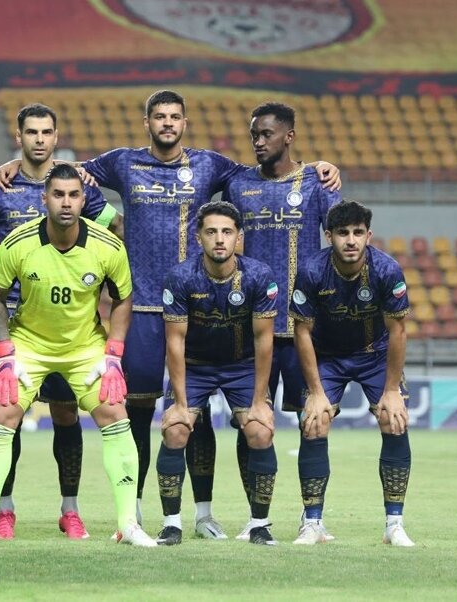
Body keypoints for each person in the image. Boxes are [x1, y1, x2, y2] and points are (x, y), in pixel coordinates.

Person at [0, 89, 340, 535]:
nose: (167, 123)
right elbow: (69, 172)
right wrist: (15, 165)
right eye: (159, 116)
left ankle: (205, 514)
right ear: (147, 123)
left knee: (197, 411)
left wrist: (315, 167)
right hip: (139, 307)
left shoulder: (211, 166)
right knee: (135, 412)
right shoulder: (124, 162)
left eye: (175, 117)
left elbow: (268, 173)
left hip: (196, 309)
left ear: (184, 123)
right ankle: (133, 512)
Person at [0, 163, 157, 548]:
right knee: (2, 413)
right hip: (29, 344)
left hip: (85, 348)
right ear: (44, 198)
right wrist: (5, 354)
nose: (66, 203)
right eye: (58, 195)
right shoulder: (17, 243)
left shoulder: (108, 246)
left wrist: (113, 356)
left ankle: (128, 525)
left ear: (83, 200)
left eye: (73, 195)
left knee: (116, 413)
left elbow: (123, 299)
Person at [222, 101, 341, 540]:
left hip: (306, 329)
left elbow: (341, 237)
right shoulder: (237, 184)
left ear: (289, 136)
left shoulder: (317, 182)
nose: (258, 141)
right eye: (254, 134)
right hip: (251, 329)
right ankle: (257, 518)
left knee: (314, 421)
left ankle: (313, 520)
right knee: (250, 423)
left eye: (267, 134)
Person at [291, 200, 415, 547]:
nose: (350, 240)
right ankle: (312, 523)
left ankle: (394, 524)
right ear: (328, 235)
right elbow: (302, 331)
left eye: (358, 233)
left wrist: (392, 390)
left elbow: (398, 331)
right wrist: (316, 393)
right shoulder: (312, 270)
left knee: (394, 420)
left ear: (368, 236)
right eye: (343, 233)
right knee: (314, 422)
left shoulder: (387, 270)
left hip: (374, 355)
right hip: (327, 357)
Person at [156, 202, 279, 546]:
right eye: (211, 232)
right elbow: (175, 342)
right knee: (176, 430)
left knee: (260, 431)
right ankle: (172, 524)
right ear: (199, 238)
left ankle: (259, 524)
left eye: (227, 232)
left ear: (239, 237)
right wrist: (181, 404)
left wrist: (259, 401)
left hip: (241, 365)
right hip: (194, 365)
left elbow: (263, 340)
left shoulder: (259, 276)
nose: (219, 239)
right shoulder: (181, 277)